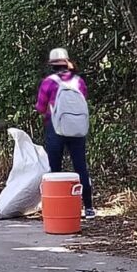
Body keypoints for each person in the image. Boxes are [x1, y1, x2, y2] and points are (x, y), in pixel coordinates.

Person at [35, 48, 93, 219]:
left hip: (55, 127)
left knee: (55, 169)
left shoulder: (49, 82)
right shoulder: (79, 81)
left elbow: (40, 107)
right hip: (77, 128)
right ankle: (88, 207)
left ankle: (57, 208)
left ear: (52, 65)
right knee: (81, 167)